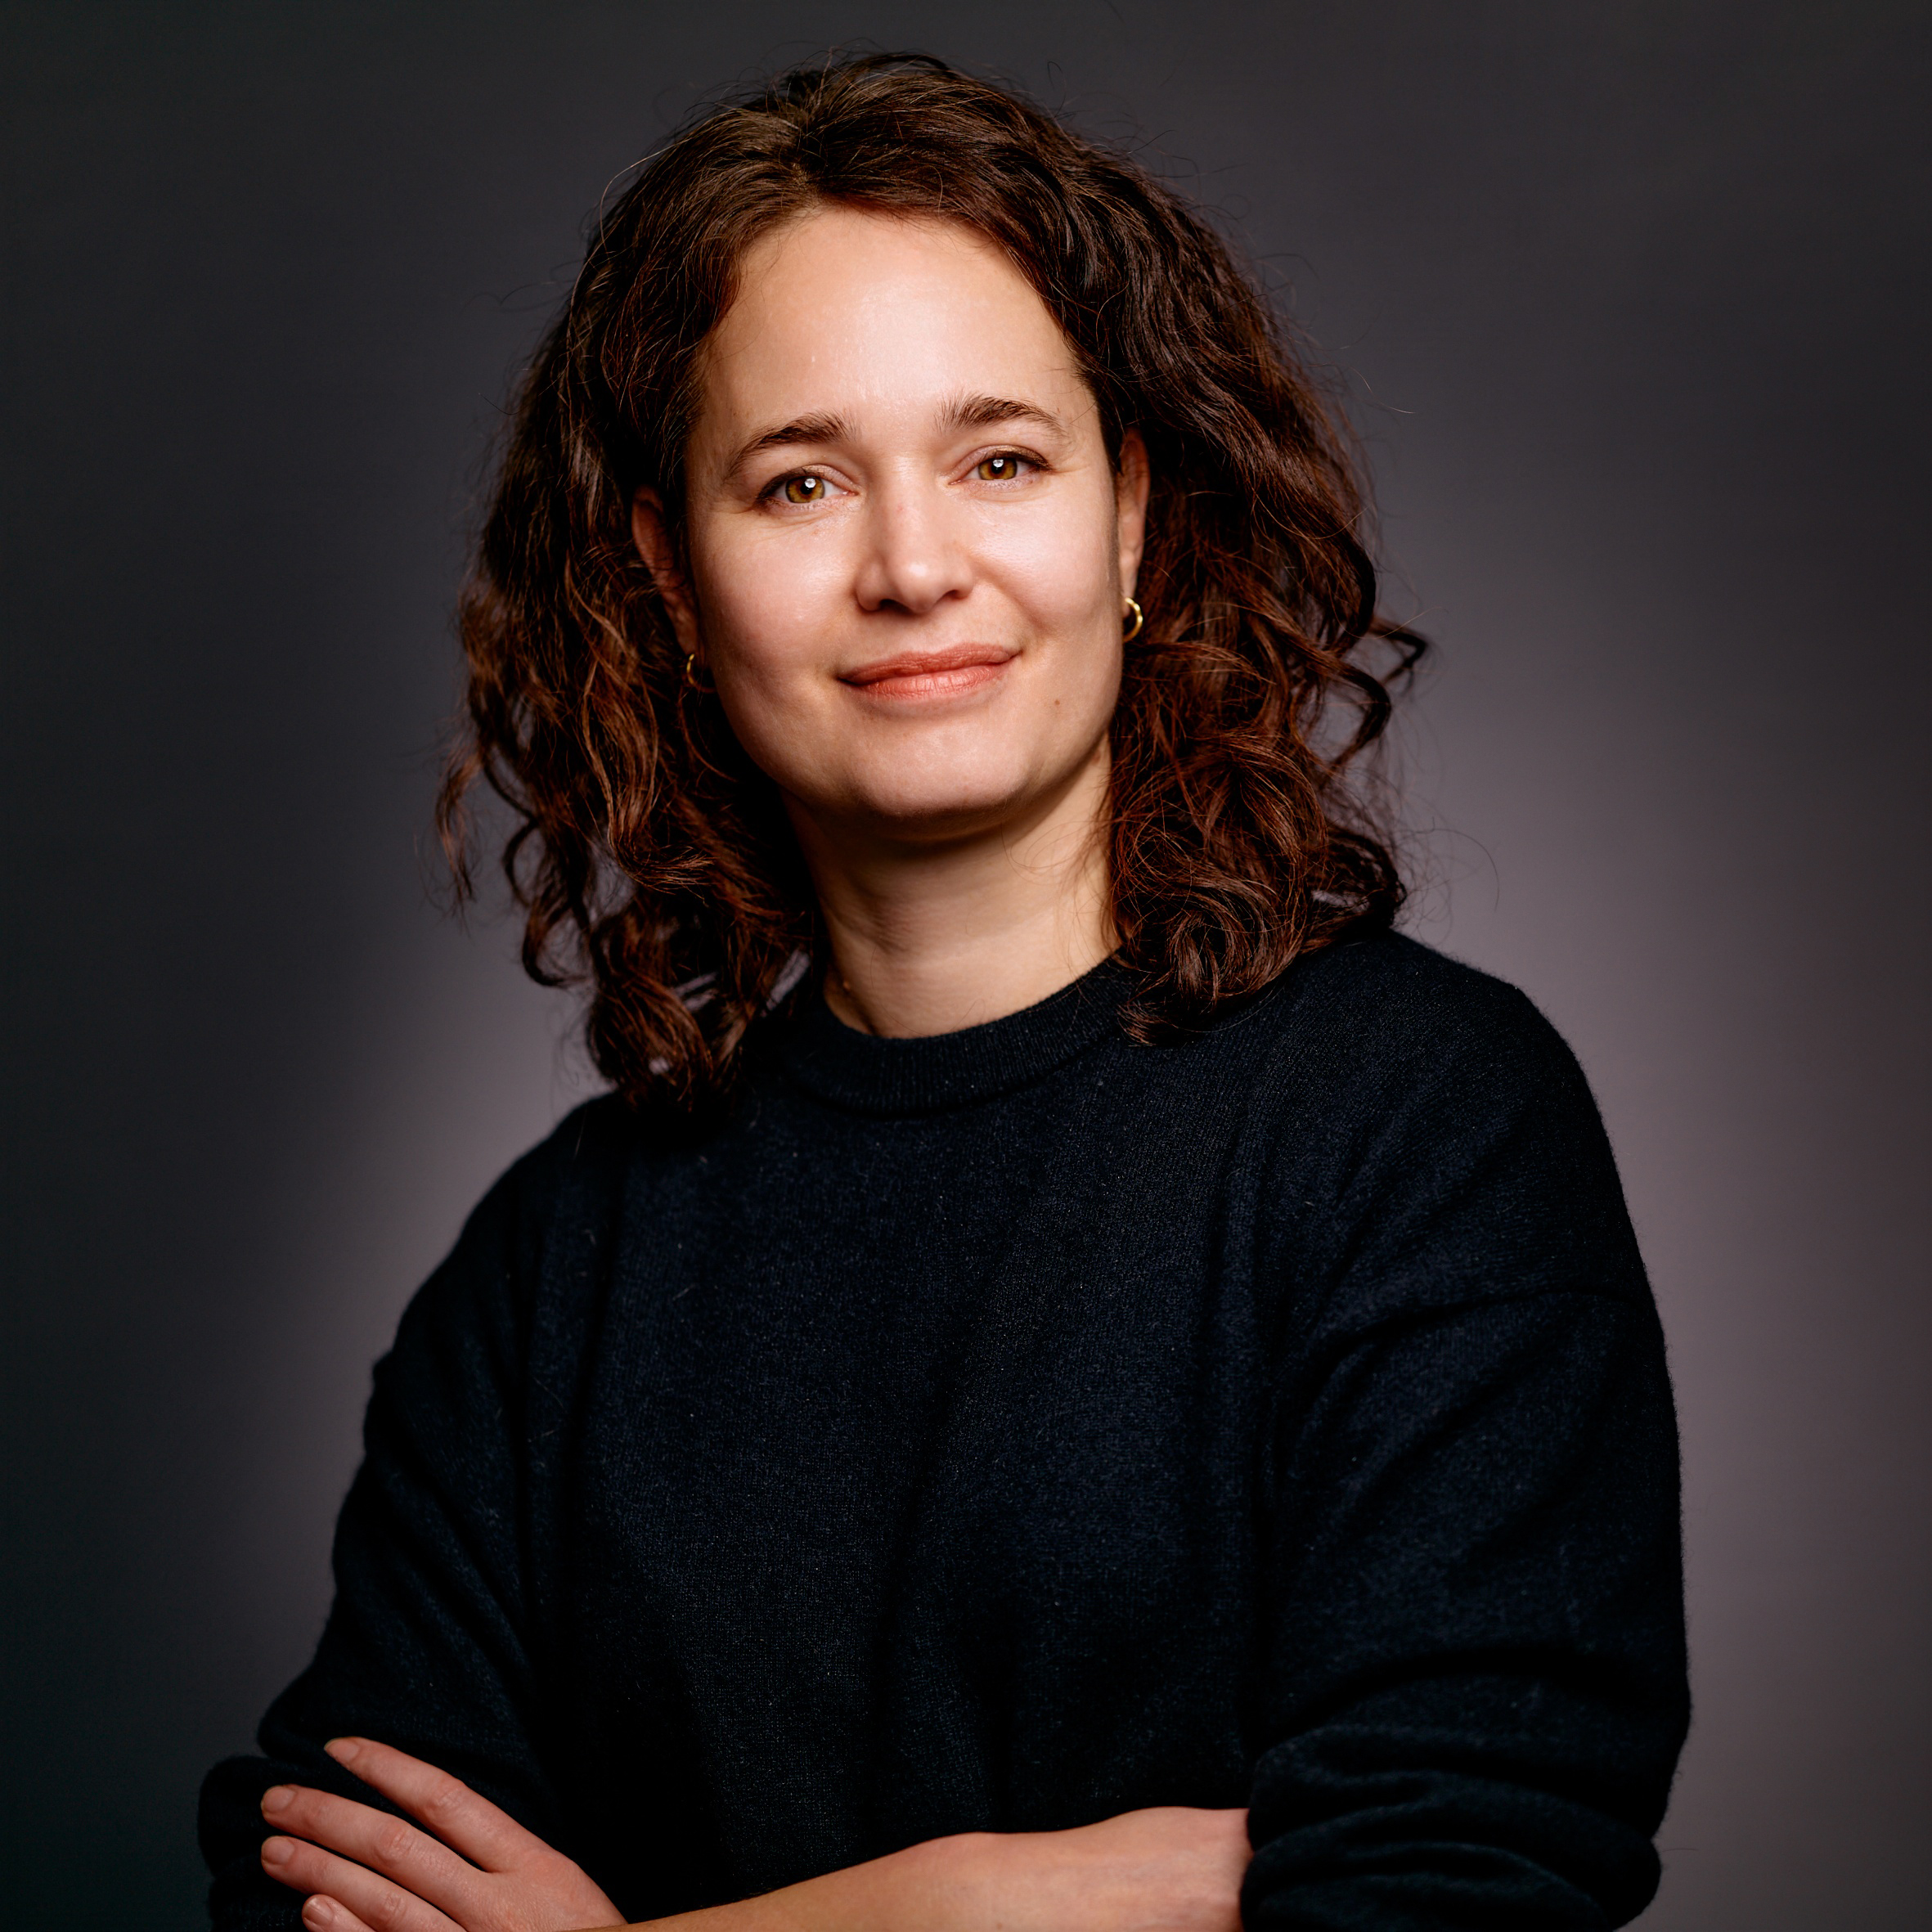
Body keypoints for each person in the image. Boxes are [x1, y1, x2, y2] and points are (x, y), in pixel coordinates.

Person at [199, 53, 1689, 1932]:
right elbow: (313, 1884)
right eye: (798, 480)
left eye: (999, 459)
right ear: (670, 573)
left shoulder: (1419, 1118)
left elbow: (1456, 1881)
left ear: (1127, 511)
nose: (912, 567)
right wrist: (1006, 1895)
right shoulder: (548, 1269)